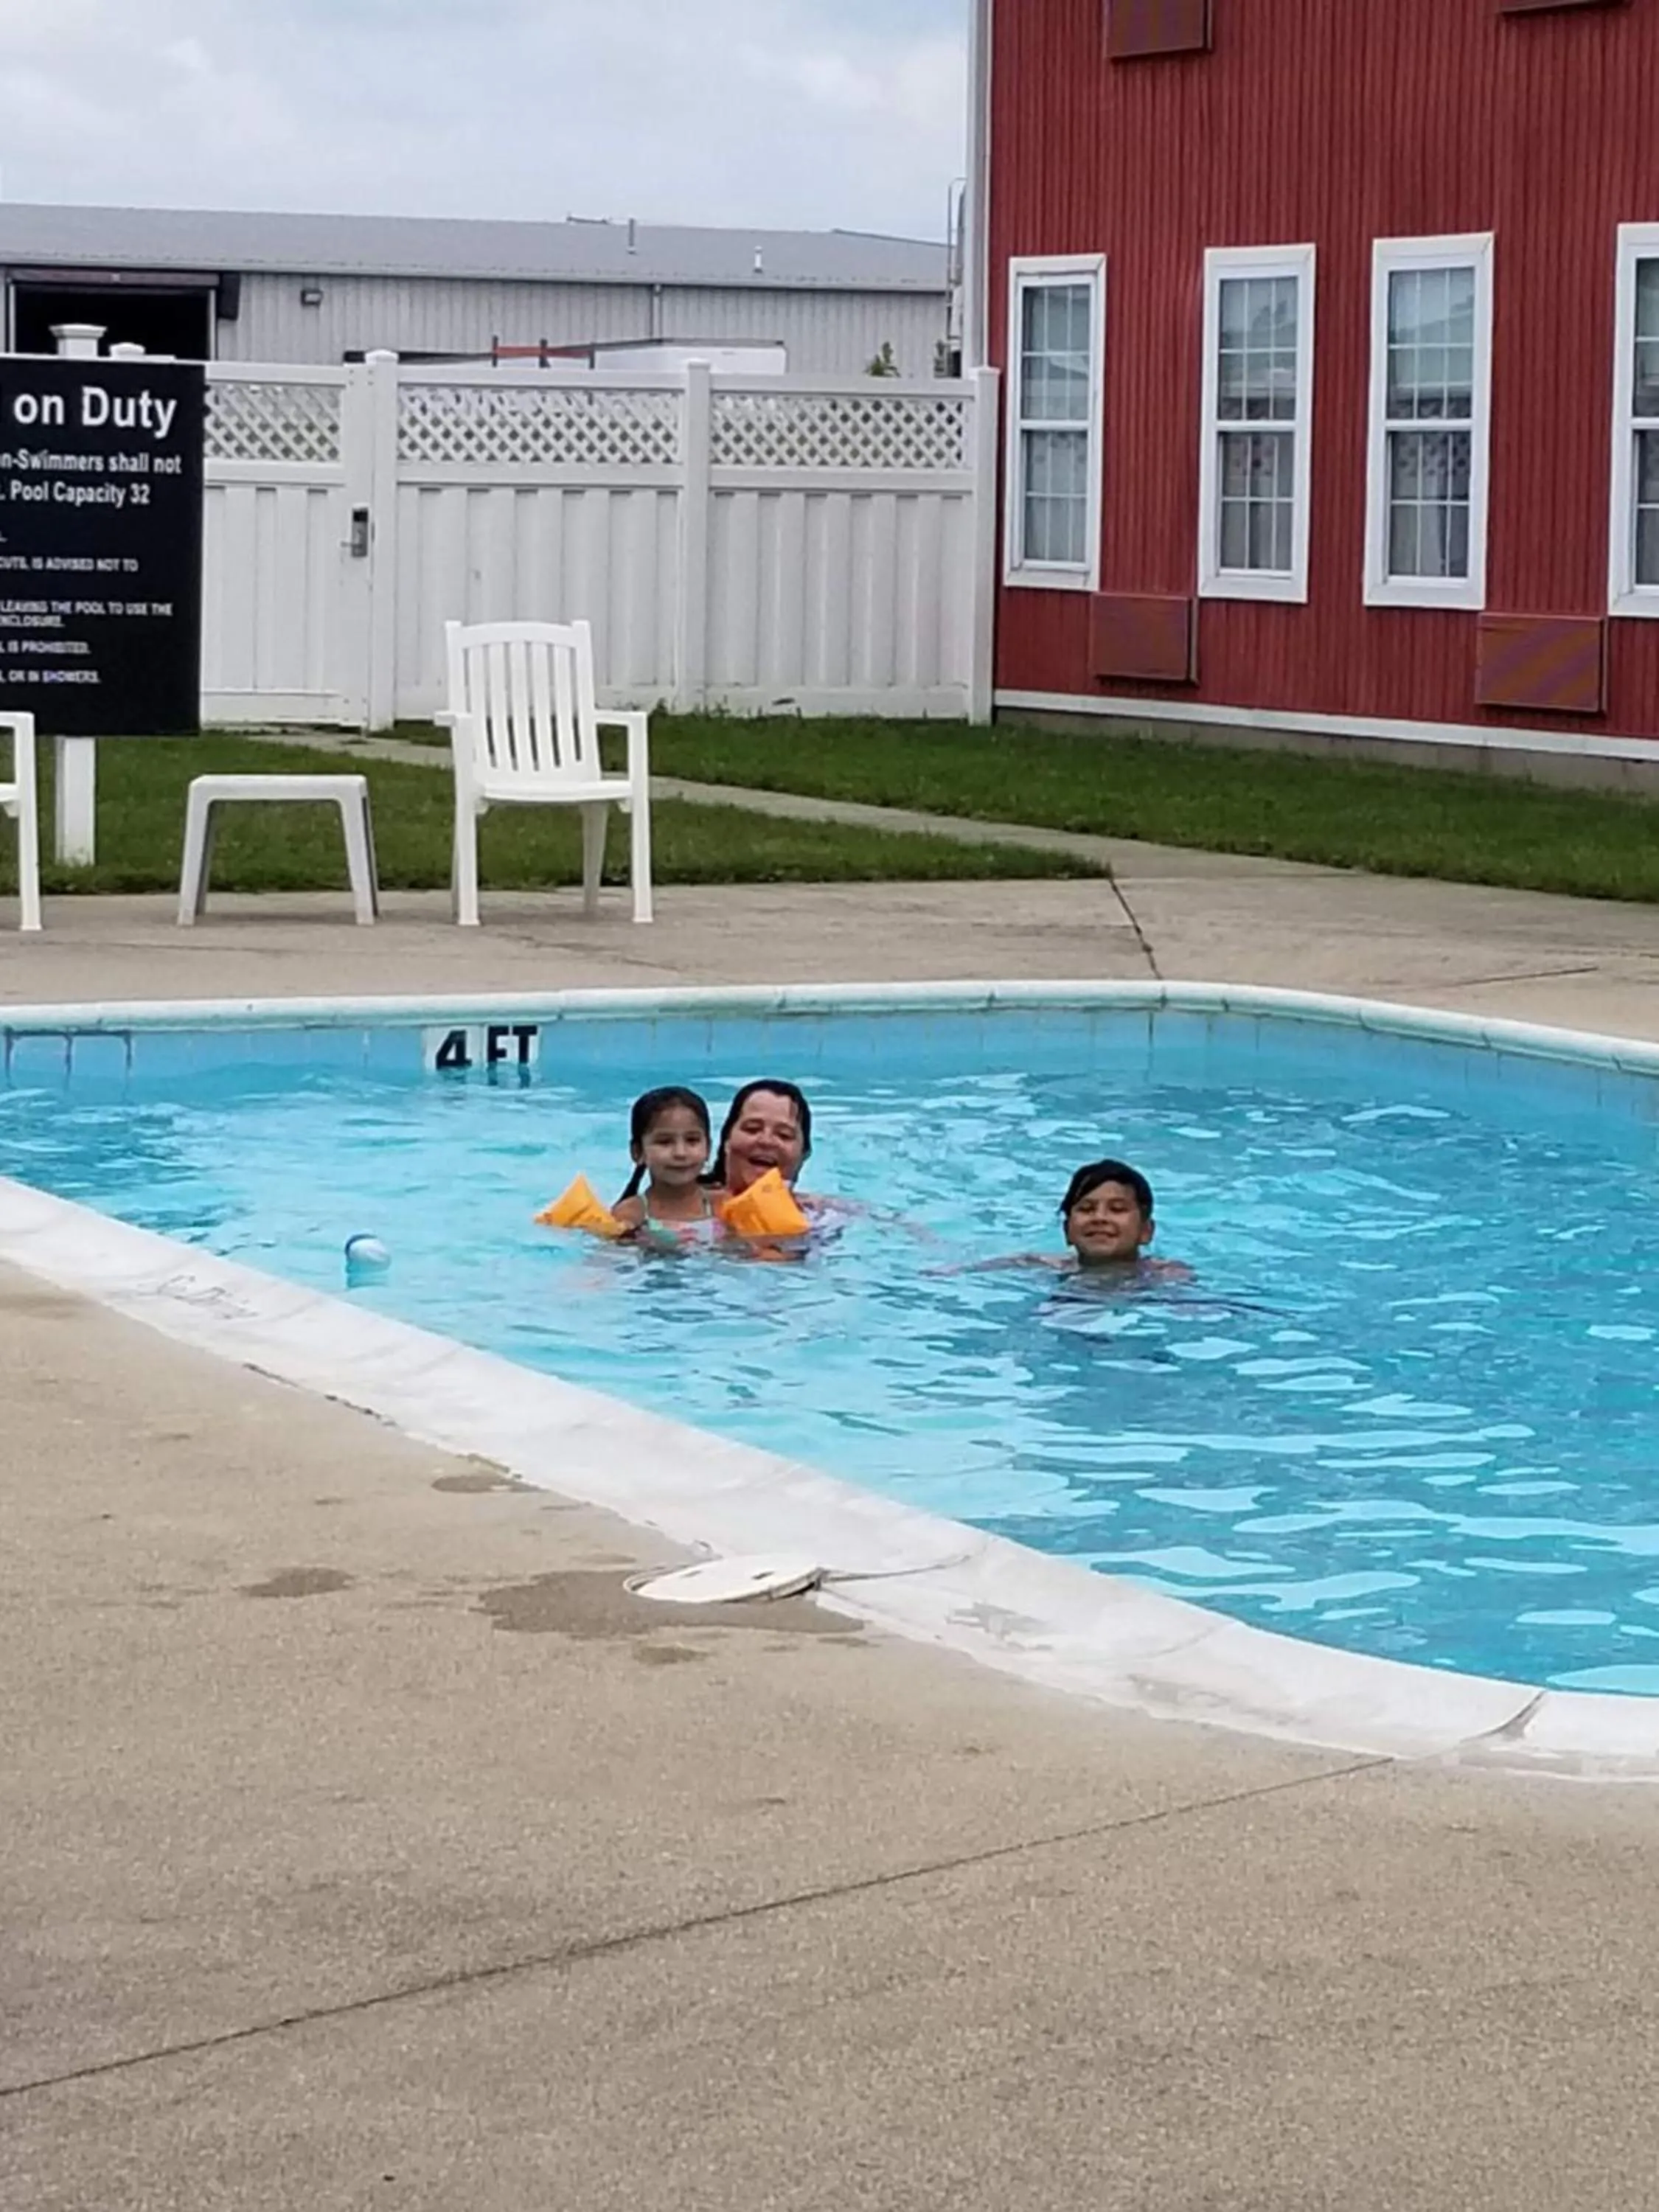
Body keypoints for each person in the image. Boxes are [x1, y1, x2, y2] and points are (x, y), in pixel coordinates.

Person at [954, 1158, 1191, 1281]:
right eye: (1086, 1209)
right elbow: (1016, 1261)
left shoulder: (1165, 1276)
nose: (1099, 1218)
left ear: (1146, 1231)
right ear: (1067, 1231)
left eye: (1117, 1209)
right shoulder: (1051, 1266)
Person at [611, 1086, 723, 1248]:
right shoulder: (631, 1214)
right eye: (665, 1142)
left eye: (692, 1140)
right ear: (638, 1152)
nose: (680, 1153)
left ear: (708, 1148)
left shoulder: (721, 1206)